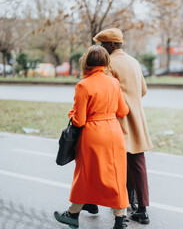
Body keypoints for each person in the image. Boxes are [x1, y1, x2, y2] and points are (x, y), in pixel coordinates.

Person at [54, 45, 130, 229]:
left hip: (93, 134)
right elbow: (123, 110)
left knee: (85, 175)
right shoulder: (114, 82)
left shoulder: (83, 85)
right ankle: (120, 220)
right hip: (113, 131)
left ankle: (73, 214)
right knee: (117, 176)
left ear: (87, 61)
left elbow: (79, 121)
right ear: (106, 62)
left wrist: (71, 113)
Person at [93, 28, 153, 224]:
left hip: (119, 120)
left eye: (103, 45)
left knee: (117, 163)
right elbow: (143, 90)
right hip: (138, 120)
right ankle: (142, 209)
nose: (102, 49)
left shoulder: (109, 64)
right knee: (138, 163)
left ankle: (119, 203)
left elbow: (106, 94)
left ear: (111, 45)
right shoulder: (134, 61)